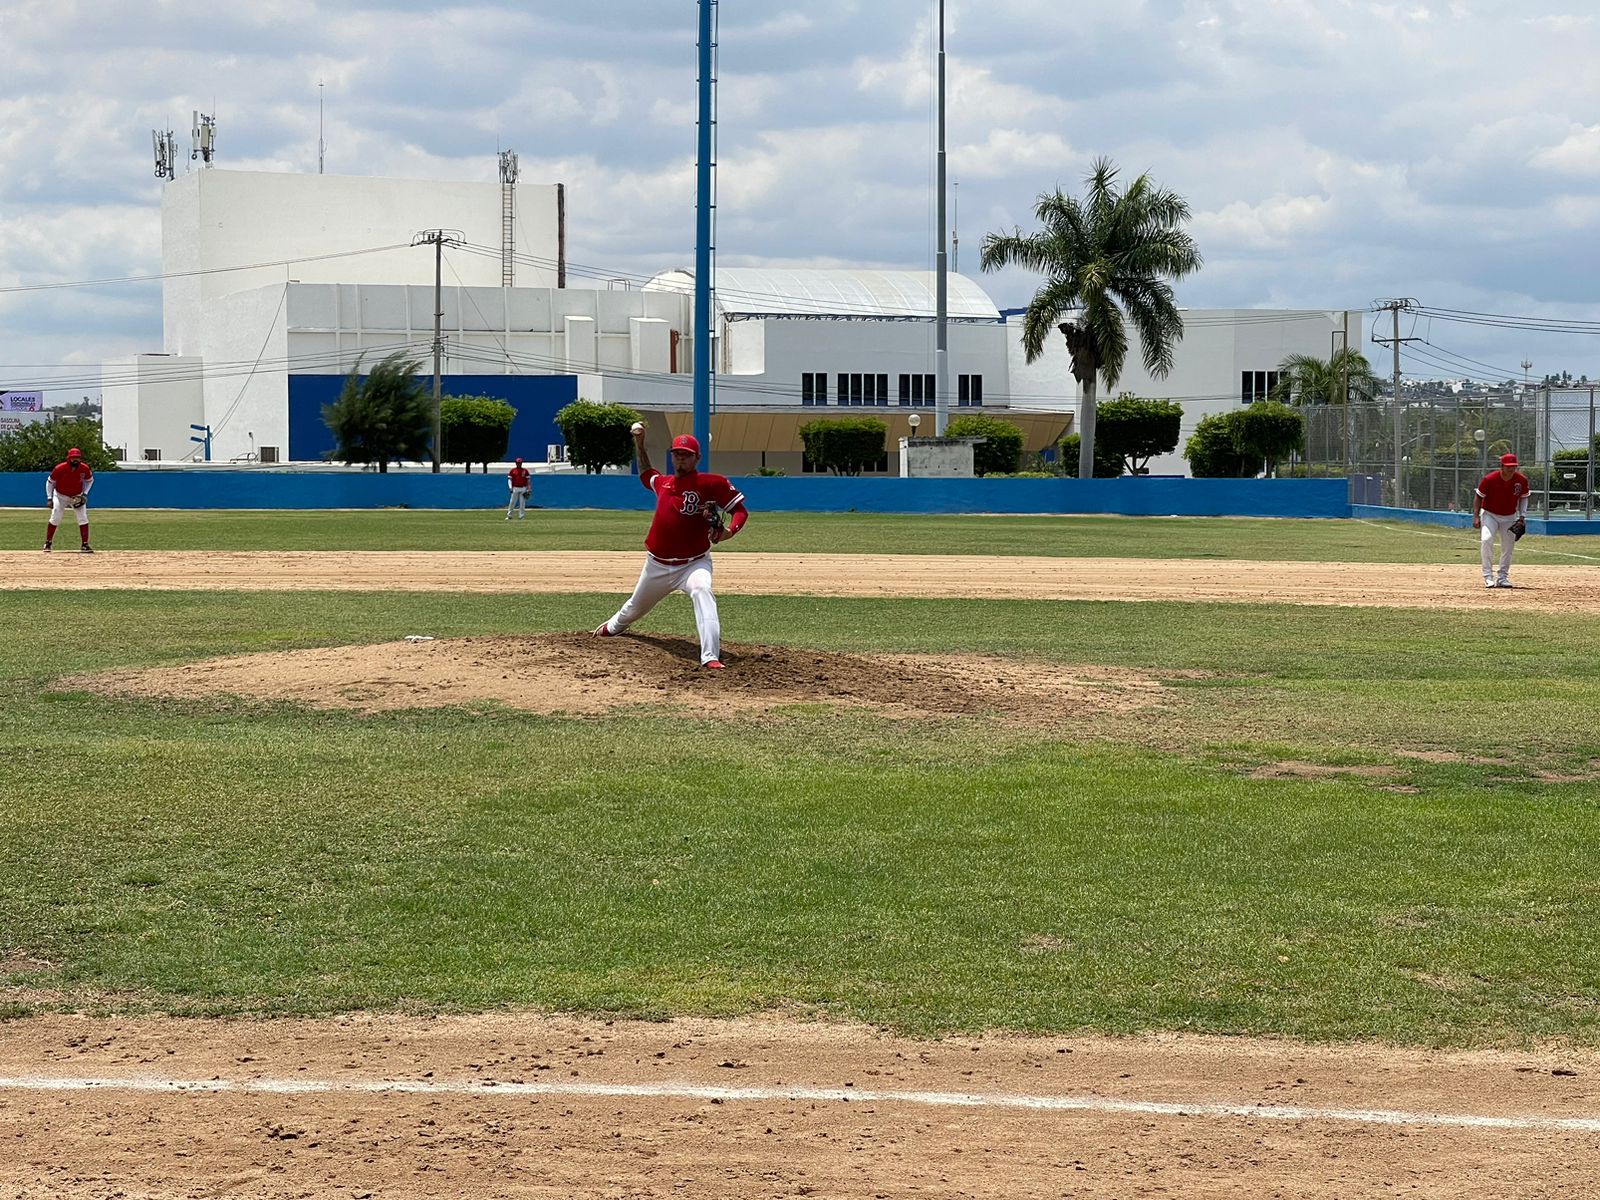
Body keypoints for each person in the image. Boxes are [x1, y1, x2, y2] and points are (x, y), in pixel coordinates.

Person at [592, 431, 747, 669]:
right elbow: (646, 473)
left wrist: (729, 531)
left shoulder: (711, 482)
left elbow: (740, 511)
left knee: (702, 591)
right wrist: (639, 443)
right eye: (677, 455)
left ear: (697, 458)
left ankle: (710, 657)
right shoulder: (663, 483)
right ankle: (612, 627)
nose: (681, 459)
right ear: (672, 457)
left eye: (686, 455)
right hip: (657, 565)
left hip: (694, 564)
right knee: (634, 608)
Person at [1472, 452, 1530, 588]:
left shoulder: (1521, 480)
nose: (1511, 469)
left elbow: (1524, 498)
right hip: (1489, 514)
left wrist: (1522, 517)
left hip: (1509, 516)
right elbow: (1478, 496)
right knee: (1486, 540)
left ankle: (1502, 577)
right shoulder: (1490, 479)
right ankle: (1488, 576)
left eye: (1514, 466)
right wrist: (1475, 516)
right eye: (1508, 466)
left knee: (1508, 547)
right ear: (1501, 466)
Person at [44, 447, 94, 554]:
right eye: (73, 458)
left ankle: (85, 544)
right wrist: (49, 498)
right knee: (55, 518)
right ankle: (48, 543)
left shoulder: (84, 468)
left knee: (83, 518)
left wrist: (85, 494)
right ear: (69, 458)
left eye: (77, 458)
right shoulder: (60, 468)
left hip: (76, 496)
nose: (75, 460)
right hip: (60, 495)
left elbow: (90, 480)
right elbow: (50, 482)